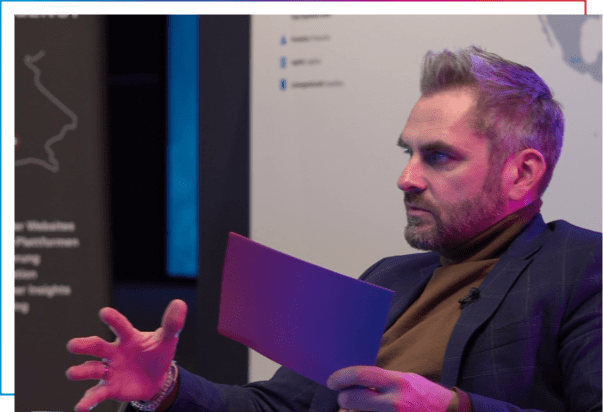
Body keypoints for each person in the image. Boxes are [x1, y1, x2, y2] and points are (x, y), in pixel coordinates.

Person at [66, 46, 602, 412]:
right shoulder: (387, 277)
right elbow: (277, 406)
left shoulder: (582, 269)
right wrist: (164, 388)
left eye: (438, 157)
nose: (407, 178)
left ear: (522, 173)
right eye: (408, 153)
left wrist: (451, 408)